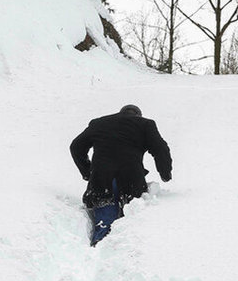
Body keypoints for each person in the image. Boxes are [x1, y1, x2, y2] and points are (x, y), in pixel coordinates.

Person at [70, 104, 172, 245]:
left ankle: (100, 241)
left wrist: (87, 172)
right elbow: (161, 149)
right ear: (138, 115)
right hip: (131, 178)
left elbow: (76, 146)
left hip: (102, 179)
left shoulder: (99, 123)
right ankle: (120, 251)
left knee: (105, 212)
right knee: (130, 218)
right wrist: (165, 173)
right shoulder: (145, 124)